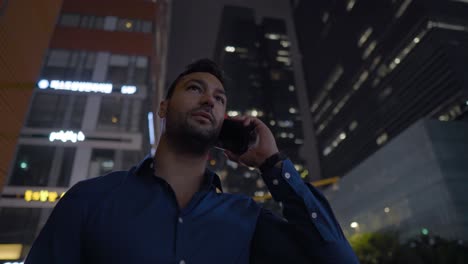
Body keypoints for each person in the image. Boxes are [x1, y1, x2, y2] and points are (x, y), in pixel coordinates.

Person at [25, 59, 359, 264]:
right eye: (195, 88)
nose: (208, 101)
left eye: (219, 98)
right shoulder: (91, 199)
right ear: (164, 107)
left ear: (223, 119)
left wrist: (272, 164)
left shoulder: (246, 219)